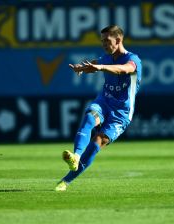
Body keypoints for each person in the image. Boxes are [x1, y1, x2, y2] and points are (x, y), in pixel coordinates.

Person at [55, 25, 142, 191]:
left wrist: (100, 67)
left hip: (121, 113)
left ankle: (65, 182)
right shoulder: (106, 57)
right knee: (89, 117)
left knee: (96, 143)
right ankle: (76, 156)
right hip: (104, 102)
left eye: (107, 40)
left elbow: (125, 69)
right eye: (102, 41)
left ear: (118, 40)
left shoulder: (133, 59)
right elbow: (96, 63)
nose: (103, 44)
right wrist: (83, 68)